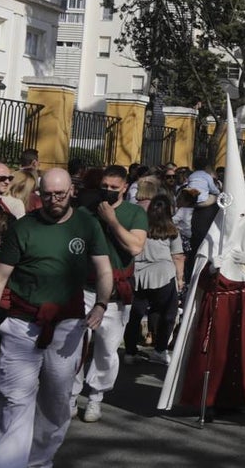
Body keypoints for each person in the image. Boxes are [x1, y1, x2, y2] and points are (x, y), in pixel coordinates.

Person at [0, 168, 112, 468]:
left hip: (68, 326)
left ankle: (38, 462)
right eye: (47, 194)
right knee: (15, 400)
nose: (53, 200)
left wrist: (100, 303)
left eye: (59, 194)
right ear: (39, 194)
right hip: (22, 325)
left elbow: (103, 269)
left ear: (71, 191)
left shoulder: (87, 224)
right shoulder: (23, 228)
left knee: (56, 404)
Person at [158, 100, 245, 417]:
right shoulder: (213, 237)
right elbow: (199, 273)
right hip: (216, 307)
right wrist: (212, 269)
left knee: (239, 354)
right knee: (211, 354)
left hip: (243, 305)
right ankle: (207, 397)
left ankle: (237, 397)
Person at [71, 164, 148, 423]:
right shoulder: (84, 211)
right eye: (104, 186)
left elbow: (135, 246)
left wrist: (112, 221)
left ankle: (95, 397)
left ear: (125, 187)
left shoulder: (134, 213)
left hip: (116, 293)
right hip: (83, 287)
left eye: (114, 188)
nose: (108, 191)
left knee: (106, 348)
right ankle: (70, 394)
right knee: (74, 344)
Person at [123, 193, 183, 366]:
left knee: (135, 315)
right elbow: (178, 256)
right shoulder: (172, 230)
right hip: (164, 275)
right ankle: (160, 350)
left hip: (138, 275)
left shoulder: (138, 227)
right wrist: (180, 279)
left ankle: (130, 351)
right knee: (167, 315)